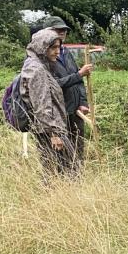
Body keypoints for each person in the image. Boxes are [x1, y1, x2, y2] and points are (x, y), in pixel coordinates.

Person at [19, 28, 75, 179]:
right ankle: (56, 199)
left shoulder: (40, 65)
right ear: (42, 47)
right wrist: (54, 134)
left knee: (55, 169)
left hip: (50, 128)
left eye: (59, 47)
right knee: (65, 169)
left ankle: (57, 199)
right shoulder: (36, 69)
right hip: (49, 130)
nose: (58, 52)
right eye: (53, 47)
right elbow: (41, 104)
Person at [43, 16, 93, 175]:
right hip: (59, 112)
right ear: (47, 32)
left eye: (64, 29)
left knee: (78, 149)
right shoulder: (43, 57)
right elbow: (53, 84)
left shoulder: (66, 52)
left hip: (76, 111)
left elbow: (79, 80)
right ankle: (59, 187)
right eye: (58, 29)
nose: (62, 32)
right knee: (59, 153)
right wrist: (79, 74)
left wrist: (83, 102)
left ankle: (76, 183)